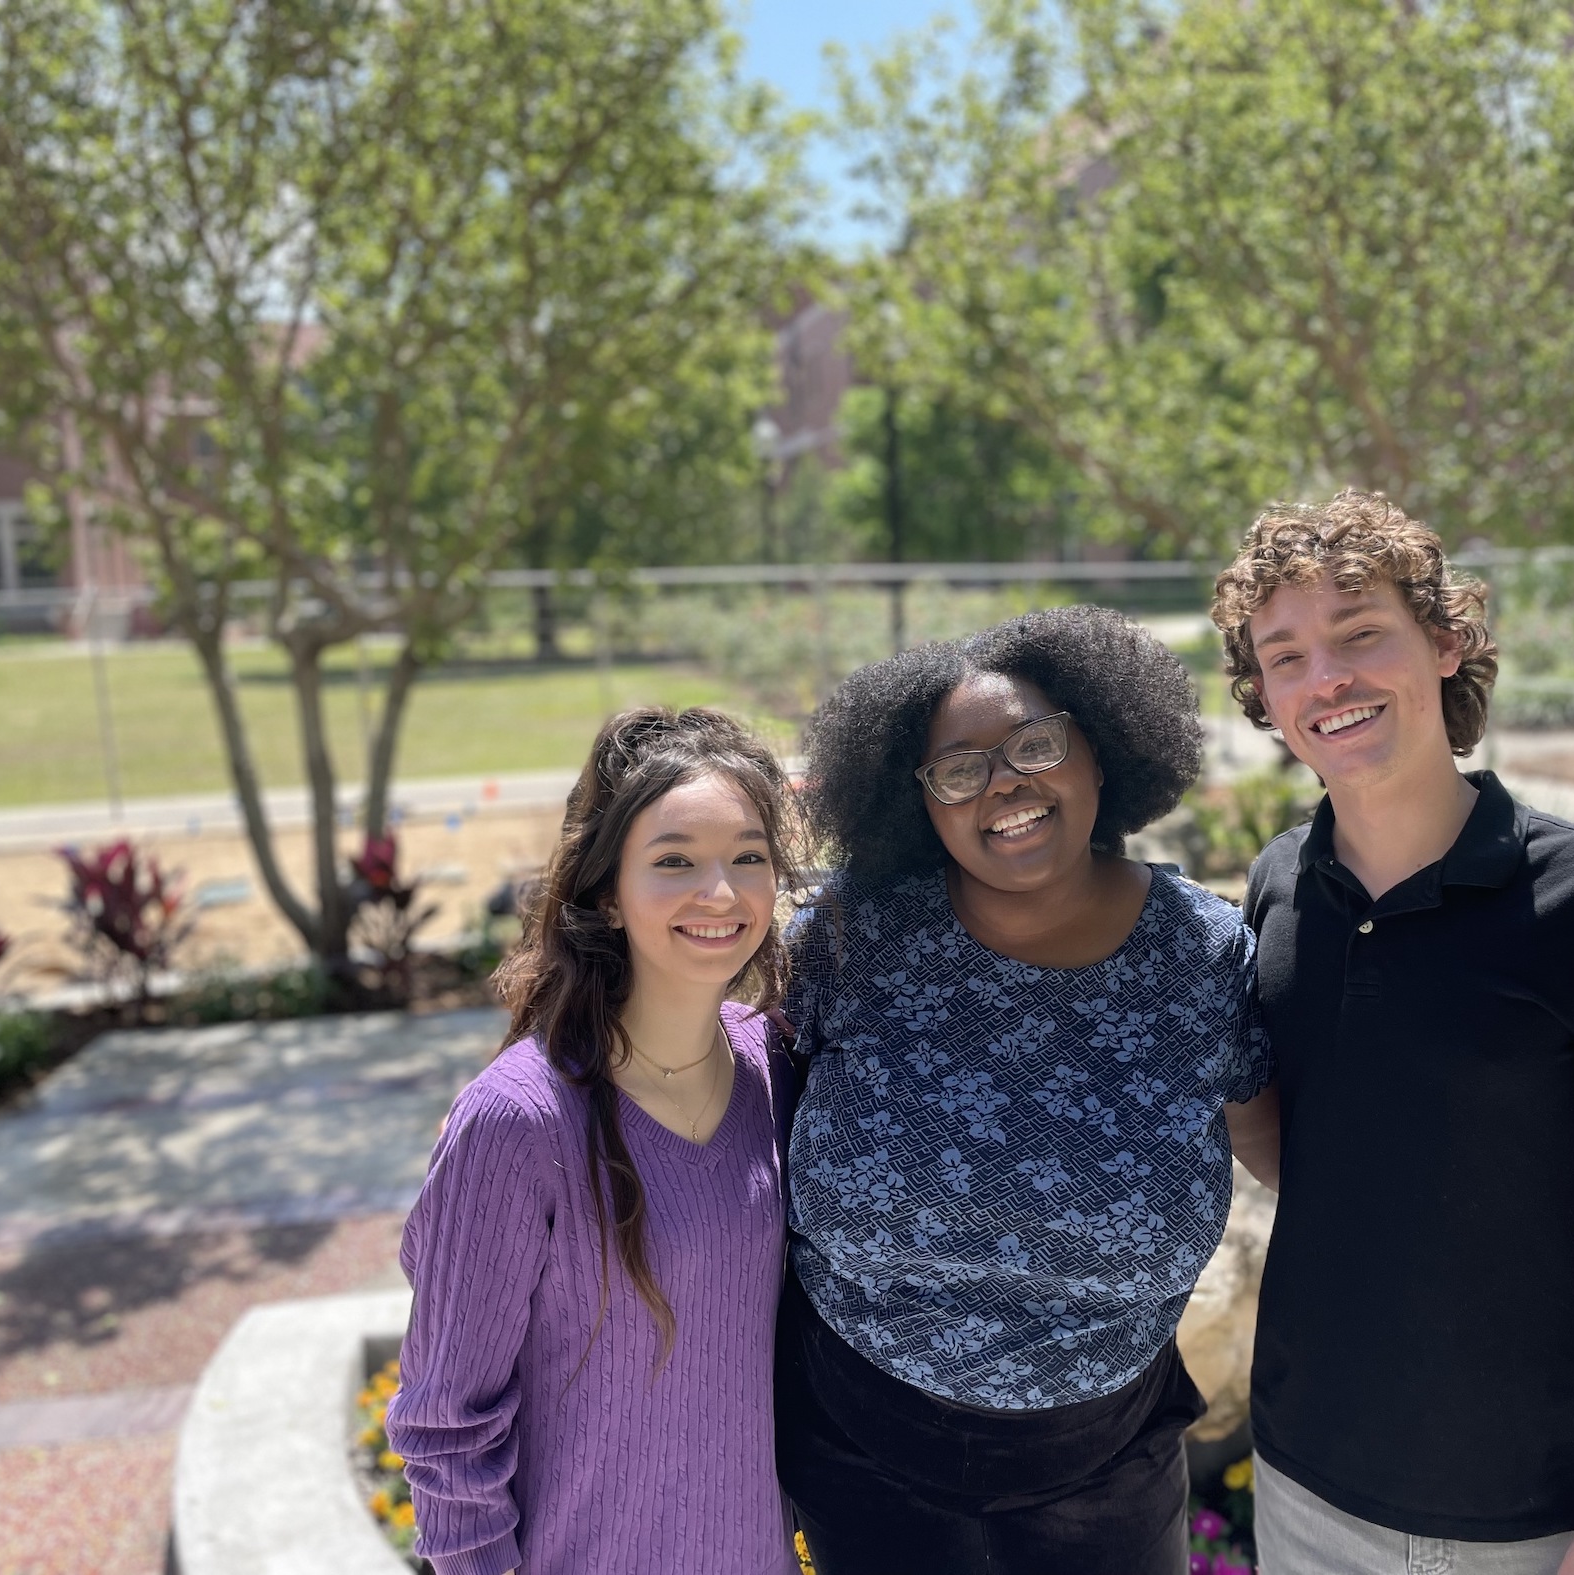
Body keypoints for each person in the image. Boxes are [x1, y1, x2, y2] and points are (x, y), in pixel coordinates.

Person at [1212, 490, 1574, 1575]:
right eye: (1285, 656)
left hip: (1537, 1514)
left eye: (1361, 633)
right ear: (1264, 697)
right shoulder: (1278, 885)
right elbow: (1300, 1144)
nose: (1326, 678)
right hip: (1305, 1483)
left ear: (1445, 644)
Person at [776, 605, 1277, 1575]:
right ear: (920, 804)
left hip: (1107, 1470)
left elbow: (1286, 1151)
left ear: (1101, 753)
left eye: (1035, 745)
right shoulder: (850, 937)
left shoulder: (1203, 956)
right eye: (959, 770)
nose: (1003, 783)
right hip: (859, 1453)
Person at [387, 707, 805, 1575]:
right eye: (675, 860)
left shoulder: (778, 1068)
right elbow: (445, 1422)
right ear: (609, 892)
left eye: (749, 856)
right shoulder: (517, 1122)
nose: (720, 892)